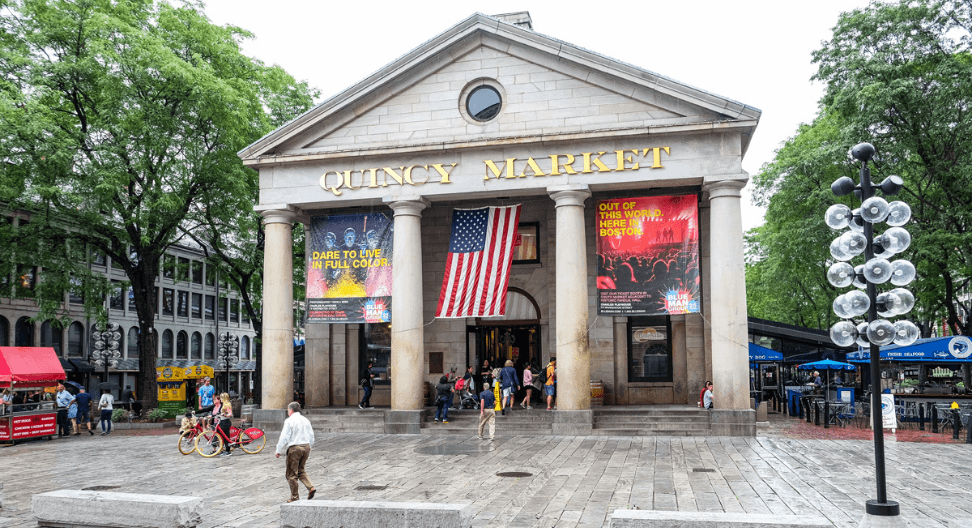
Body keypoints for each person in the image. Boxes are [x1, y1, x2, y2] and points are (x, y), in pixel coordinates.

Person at [275, 401, 316, 503]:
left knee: (291, 473)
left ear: (291, 410)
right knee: (301, 470)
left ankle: (294, 497)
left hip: (295, 448)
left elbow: (284, 436)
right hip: (306, 447)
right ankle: (310, 487)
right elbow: (311, 436)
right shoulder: (305, 420)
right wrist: (309, 446)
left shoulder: (289, 421)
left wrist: (278, 449)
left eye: (288, 410)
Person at [216, 392, 233, 457]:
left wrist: (224, 415)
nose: (220, 399)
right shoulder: (223, 404)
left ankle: (228, 451)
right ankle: (223, 449)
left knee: (226, 437)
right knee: (222, 436)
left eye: (221, 398)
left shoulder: (227, 404)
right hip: (222, 421)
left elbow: (230, 414)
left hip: (225, 422)